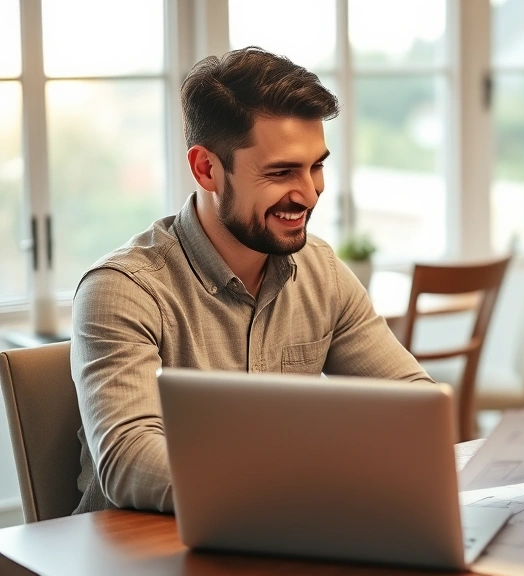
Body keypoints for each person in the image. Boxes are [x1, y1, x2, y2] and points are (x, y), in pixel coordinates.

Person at [71, 47, 433, 514]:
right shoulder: (123, 290)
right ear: (207, 169)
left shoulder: (321, 271)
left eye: (316, 166)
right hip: (137, 551)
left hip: (276, 536)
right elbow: (130, 462)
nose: (308, 194)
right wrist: (303, 480)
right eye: (281, 172)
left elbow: (417, 412)